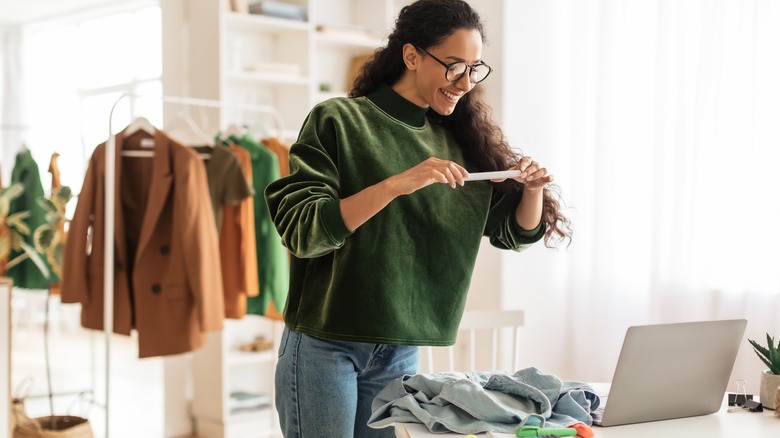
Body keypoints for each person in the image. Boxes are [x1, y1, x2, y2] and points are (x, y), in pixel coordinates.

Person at [264, 0, 572, 436]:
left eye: (474, 68)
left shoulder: (461, 143)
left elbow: (513, 235)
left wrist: (534, 191)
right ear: (411, 56)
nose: (465, 82)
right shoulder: (340, 120)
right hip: (325, 343)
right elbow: (305, 230)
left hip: (400, 349)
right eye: (453, 66)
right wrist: (396, 184)